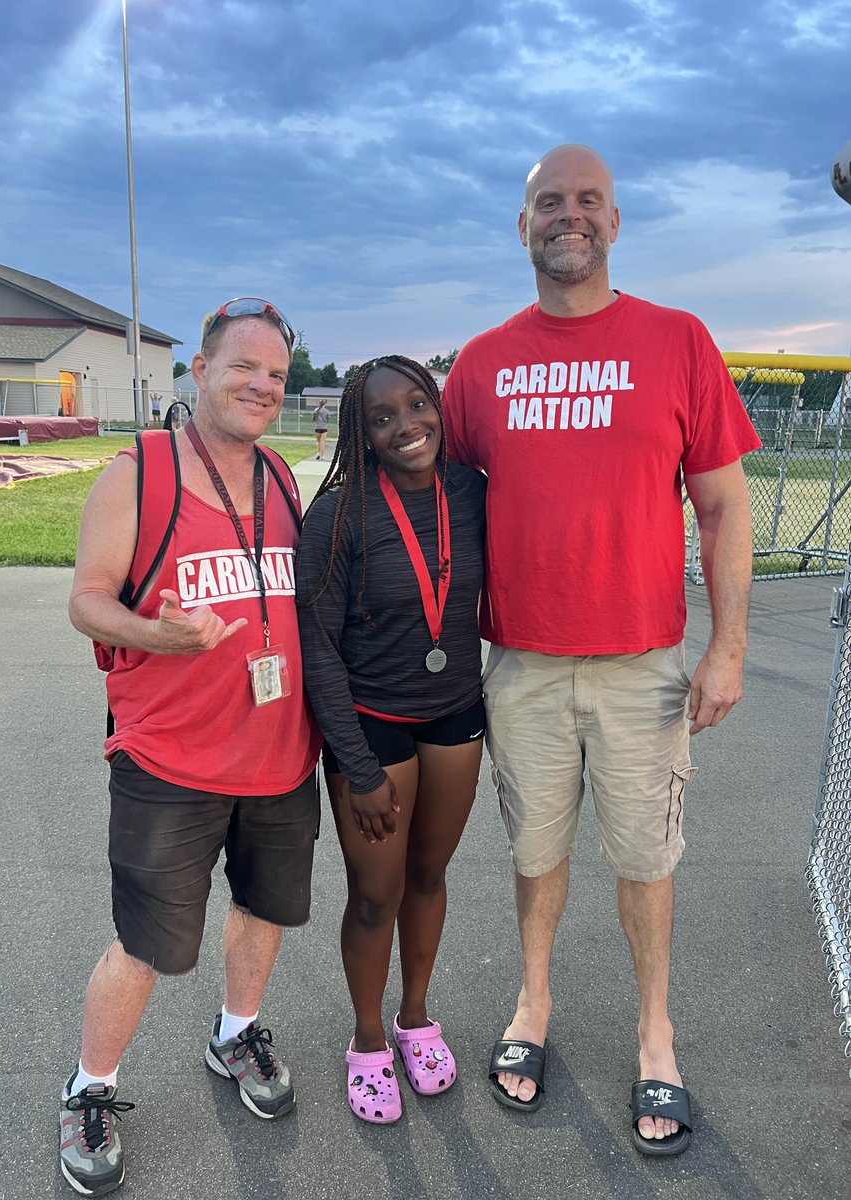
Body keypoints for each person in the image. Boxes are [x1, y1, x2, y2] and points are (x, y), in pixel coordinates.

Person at [441, 144, 761, 1156]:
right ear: (522, 224)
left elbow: (721, 507)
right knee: (536, 855)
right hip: (524, 664)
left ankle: (654, 1034)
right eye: (547, 202)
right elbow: (439, 516)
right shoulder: (483, 363)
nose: (566, 216)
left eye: (587, 201)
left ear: (615, 223)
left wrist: (729, 648)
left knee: (644, 857)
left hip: (641, 666)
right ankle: (532, 1004)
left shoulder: (676, 342)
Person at [61, 297, 321, 1196]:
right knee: (147, 945)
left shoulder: (283, 478)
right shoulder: (141, 472)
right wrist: (155, 633)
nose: (261, 384)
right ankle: (89, 1088)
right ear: (200, 371)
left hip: (282, 755)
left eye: (277, 375)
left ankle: (234, 1032)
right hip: (169, 761)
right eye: (243, 366)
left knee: (263, 912)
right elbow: (87, 598)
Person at [295, 355, 486, 1123]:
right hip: (372, 726)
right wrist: (355, 763)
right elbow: (316, 644)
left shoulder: (471, 492)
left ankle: (415, 1020)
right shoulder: (339, 513)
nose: (407, 426)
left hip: (455, 713)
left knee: (430, 875)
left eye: (417, 405)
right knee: (377, 894)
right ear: (362, 433)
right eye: (383, 417)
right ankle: (368, 1039)